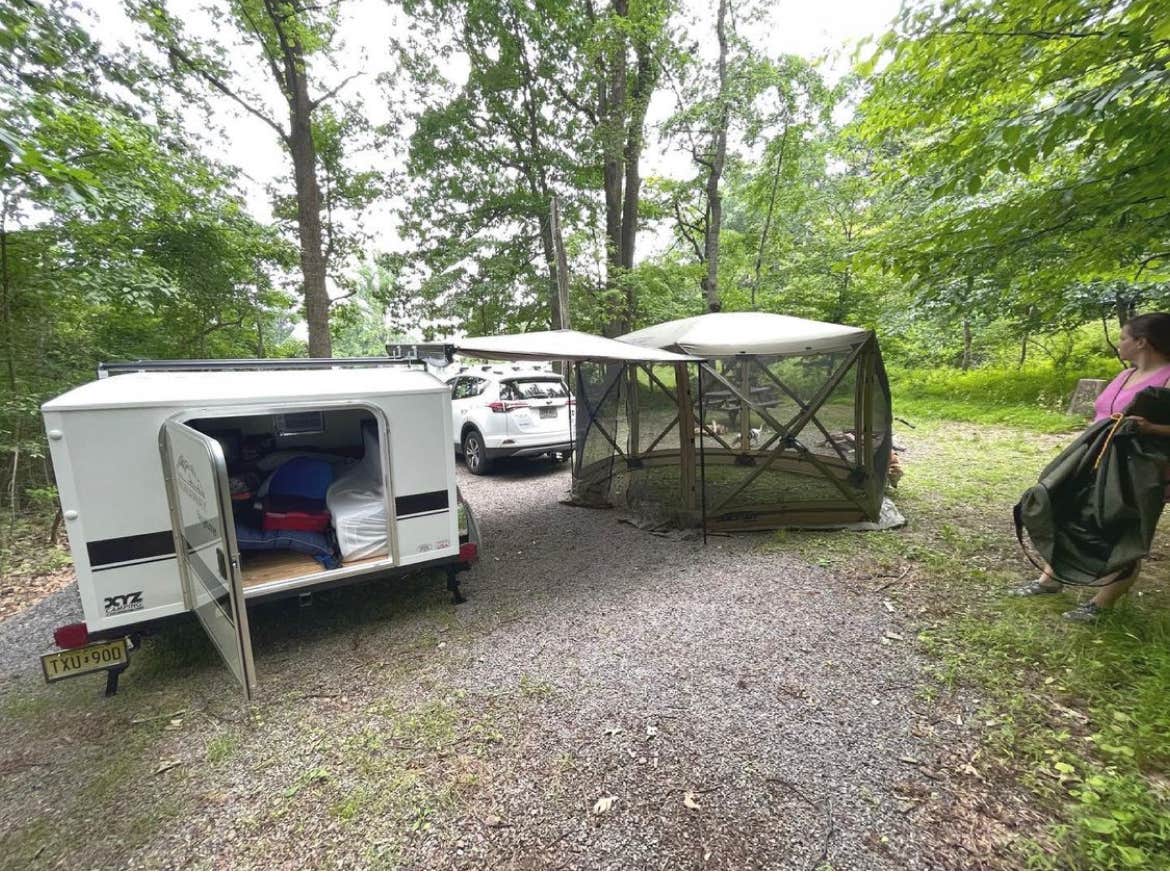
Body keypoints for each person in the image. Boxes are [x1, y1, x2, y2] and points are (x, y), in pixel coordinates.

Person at [1012, 312, 1170, 622]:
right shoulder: (1125, 375)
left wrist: (1151, 429)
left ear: (1142, 342)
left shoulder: (1168, 378)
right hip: (1095, 461)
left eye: (1123, 338)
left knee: (1125, 527)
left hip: (1138, 471)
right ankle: (1049, 581)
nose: (1119, 344)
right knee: (1069, 514)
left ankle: (1100, 605)